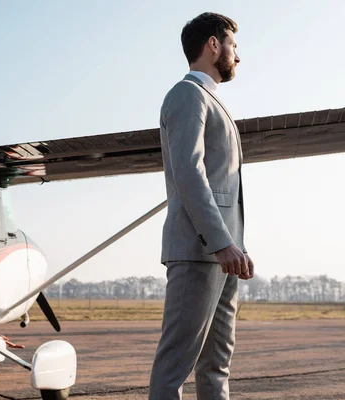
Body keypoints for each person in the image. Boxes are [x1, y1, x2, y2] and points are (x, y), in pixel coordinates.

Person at [149, 12, 254, 400]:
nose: (237, 56)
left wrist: (234, 245)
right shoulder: (187, 94)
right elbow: (189, 175)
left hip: (223, 254)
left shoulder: (209, 100)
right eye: (233, 45)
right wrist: (219, 241)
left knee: (216, 365)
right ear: (213, 44)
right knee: (175, 366)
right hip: (198, 251)